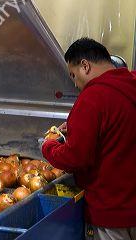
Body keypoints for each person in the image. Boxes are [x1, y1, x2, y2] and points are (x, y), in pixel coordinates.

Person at [42, 37, 136, 240]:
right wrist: (79, 128)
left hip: (111, 214)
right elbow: (117, 133)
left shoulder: (93, 97)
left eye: (74, 76)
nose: (76, 84)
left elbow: (75, 158)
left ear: (85, 65)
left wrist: (48, 146)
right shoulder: (131, 83)